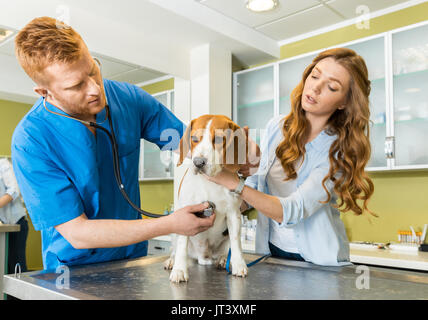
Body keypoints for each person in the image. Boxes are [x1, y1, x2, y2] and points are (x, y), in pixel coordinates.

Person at [11, 17, 218, 271]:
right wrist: (170, 224)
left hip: (131, 261)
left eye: (93, 69)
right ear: (45, 93)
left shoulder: (129, 100)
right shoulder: (31, 140)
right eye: (77, 85)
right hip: (73, 271)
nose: (96, 89)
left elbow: (186, 145)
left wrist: (239, 153)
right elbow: (78, 232)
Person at [206, 48, 375, 266]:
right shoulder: (276, 127)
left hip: (318, 260)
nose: (315, 87)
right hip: (270, 250)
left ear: (344, 102)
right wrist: (220, 206)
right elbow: (254, 189)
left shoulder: (338, 151)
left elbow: (292, 210)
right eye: (315, 76)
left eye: (332, 87)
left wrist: (233, 183)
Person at [0, 157, 28, 274]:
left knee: (16, 266)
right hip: (2, 226)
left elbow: (15, 190)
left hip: (15, 222)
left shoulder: (3, 164)